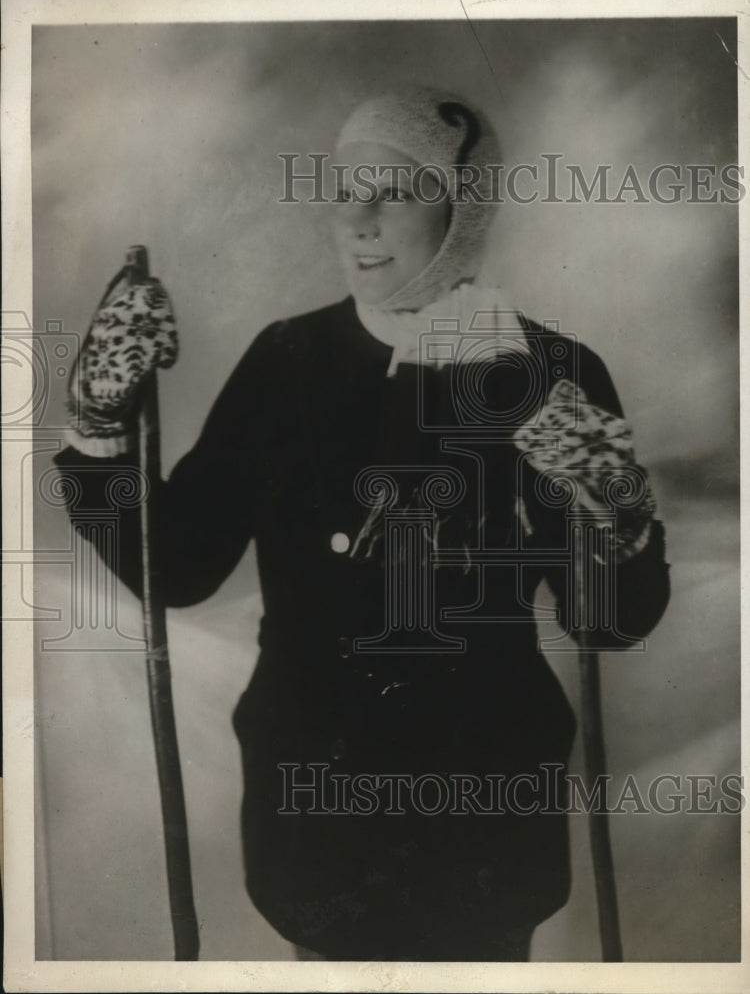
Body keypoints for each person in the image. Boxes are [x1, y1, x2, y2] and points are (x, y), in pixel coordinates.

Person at [54, 87, 670, 961]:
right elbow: (179, 564)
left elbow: (608, 617)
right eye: (347, 188)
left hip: (482, 807)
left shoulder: (550, 372)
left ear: (464, 209)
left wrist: (611, 498)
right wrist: (99, 427)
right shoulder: (286, 360)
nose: (361, 220)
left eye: (400, 190)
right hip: (318, 798)